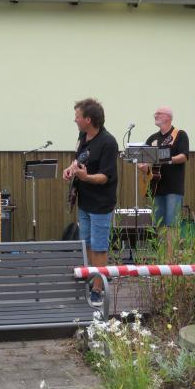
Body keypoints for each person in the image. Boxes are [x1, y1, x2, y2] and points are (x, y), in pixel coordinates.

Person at [62, 98, 119, 306]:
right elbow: (79, 159)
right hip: (84, 201)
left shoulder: (108, 142)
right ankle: (90, 276)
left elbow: (105, 177)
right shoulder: (83, 135)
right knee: (85, 242)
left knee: (99, 246)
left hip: (101, 203)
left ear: (88, 119)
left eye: (77, 116)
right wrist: (71, 170)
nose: (74, 119)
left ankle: (97, 288)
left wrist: (85, 178)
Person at [138, 106, 189, 259]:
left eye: (159, 113)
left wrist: (168, 159)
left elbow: (184, 156)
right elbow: (144, 160)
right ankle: (162, 258)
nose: (155, 115)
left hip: (173, 187)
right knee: (159, 223)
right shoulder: (152, 138)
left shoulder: (179, 135)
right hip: (156, 186)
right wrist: (143, 167)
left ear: (168, 117)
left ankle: (170, 260)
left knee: (172, 223)